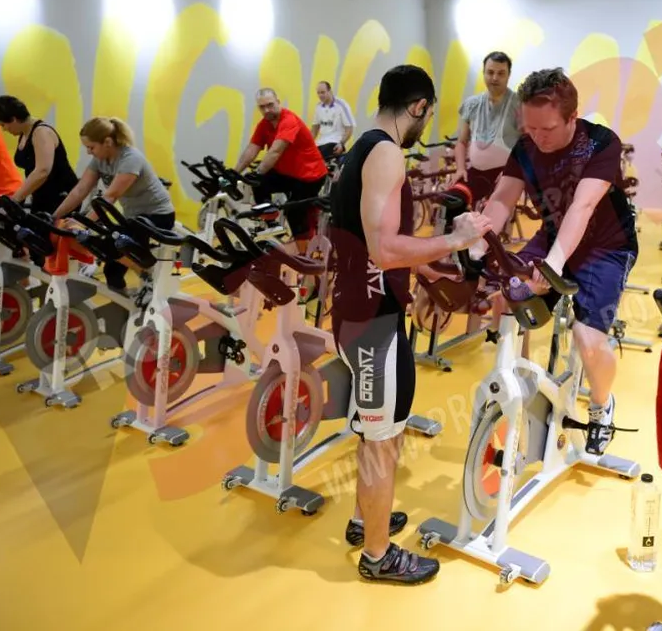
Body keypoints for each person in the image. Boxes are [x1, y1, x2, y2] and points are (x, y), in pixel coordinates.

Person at [328, 64, 491, 584]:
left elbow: (369, 241)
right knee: (382, 440)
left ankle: (364, 521)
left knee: (379, 432)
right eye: (428, 113)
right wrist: (455, 240)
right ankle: (378, 556)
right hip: (371, 320)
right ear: (418, 106)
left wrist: (426, 268)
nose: (426, 123)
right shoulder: (387, 153)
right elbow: (382, 248)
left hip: (362, 310)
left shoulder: (362, 148)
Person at [475, 67, 639, 456]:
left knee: (588, 339)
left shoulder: (599, 142)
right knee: (508, 297)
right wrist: (478, 246)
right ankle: (522, 387)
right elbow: (502, 199)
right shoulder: (526, 146)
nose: (537, 137)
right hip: (552, 237)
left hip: (606, 247)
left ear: (572, 117)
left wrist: (552, 266)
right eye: (530, 128)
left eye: (546, 129)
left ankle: (601, 406)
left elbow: (582, 207)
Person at [51, 117, 175, 293]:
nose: (88, 152)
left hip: (158, 216)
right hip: (133, 218)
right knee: (112, 272)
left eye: (91, 147)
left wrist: (82, 223)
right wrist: (54, 216)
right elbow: (80, 190)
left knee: (112, 243)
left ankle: (149, 273)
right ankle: (127, 304)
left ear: (108, 142)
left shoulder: (131, 159)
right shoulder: (99, 160)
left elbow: (110, 197)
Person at [234, 88, 328, 254]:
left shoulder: (289, 120)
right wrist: (234, 174)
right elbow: (251, 149)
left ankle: (305, 255)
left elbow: (275, 151)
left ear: (278, 102)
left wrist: (259, 172)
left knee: (294, 212)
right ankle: (270, 220)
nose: (267, 110)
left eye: (270, 105)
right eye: (262, 107)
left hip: (309, 176)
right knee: (258, 182)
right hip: (287, 174)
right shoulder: (264, 125)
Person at [0, 95, 78, 215]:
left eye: (3, 125)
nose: (4, 129)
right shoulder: (24, 133)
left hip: (62, 198)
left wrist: (14, 200)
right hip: (42, 196)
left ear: (13, 119)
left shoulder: (41, 133)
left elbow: (42, 171)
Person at [454, 51, 522, 207]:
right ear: (483, 73)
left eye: (501, 73)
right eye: (490, 72)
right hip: (475, 172)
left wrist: (513, 172)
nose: (495, 78)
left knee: (492, 213)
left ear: (509, 75)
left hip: (505, 175)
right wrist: (460, 168)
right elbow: (461, 142)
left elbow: (527, 146)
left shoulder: (519, 105)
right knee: (452, 202)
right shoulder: (471, 104)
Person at [311, 81, 355, 159]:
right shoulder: (318, 107)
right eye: (318, 93)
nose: (320, 95)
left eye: (323, 92)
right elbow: (314, 129)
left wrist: (341, 144)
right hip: (321, 143)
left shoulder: (341, 105)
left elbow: (349, 128)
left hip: (335, 142)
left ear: (330, 91)